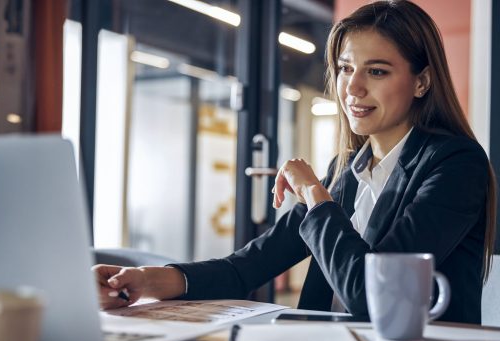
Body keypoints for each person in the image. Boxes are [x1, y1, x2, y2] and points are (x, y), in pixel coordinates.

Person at [93, 0, 496, 324]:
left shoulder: (456, 164)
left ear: (422, 81)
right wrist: (147, 281)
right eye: (344, 68)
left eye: (376, 71)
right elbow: (247, 267)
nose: (352, 88)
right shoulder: (347, 169)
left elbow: (372, 295)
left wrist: (314, 195)